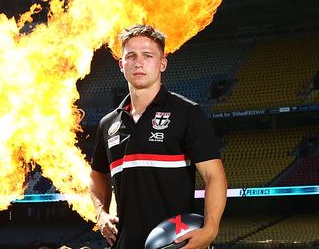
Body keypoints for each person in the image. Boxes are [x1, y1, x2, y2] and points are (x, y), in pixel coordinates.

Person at [89, 25, 227, 249]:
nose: (138, 62)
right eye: (131, 56)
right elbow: (97, 176)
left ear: (162, 63)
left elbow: (214, 176)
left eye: (147, 55)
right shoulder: (108, 124)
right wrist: (101, 214)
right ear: (121, 65)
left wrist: (210, 230)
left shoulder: (187, 112)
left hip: (174, 244)